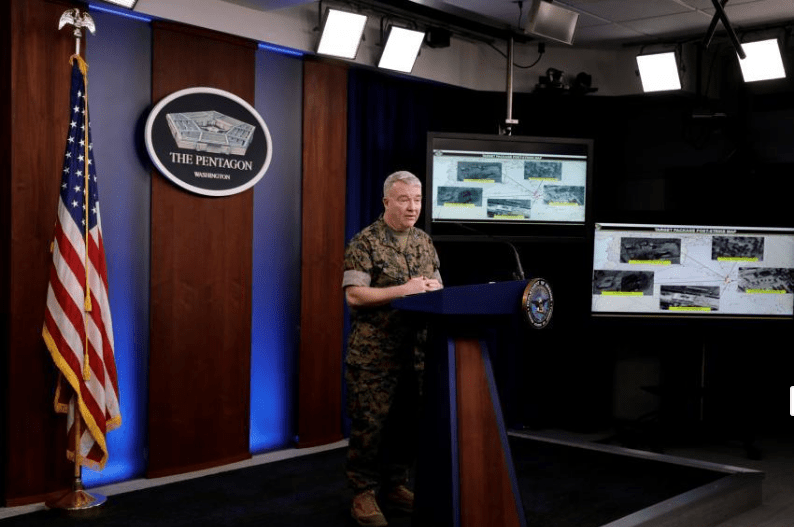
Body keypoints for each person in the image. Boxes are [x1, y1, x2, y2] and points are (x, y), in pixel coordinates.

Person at [342, 170, 443, 526]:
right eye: (404, 200)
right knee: (370, 426)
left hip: (415, 355)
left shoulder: (424, 242)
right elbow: (355, 296)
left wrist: (433, 289)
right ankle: (362, 493)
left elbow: (438, 287)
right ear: (387, 202)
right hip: (375, 357)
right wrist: (405, 290)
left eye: (417, 200)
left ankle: (396, 485)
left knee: (406, 425)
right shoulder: (364, 242)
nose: (412, 207)